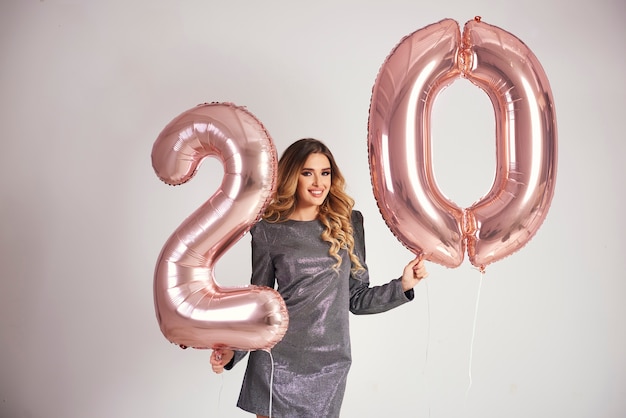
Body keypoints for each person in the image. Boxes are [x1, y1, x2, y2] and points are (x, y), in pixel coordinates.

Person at [209, 138, 428, 417]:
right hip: (276, 358)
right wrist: (234, 354)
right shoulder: (267, 229)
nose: (318, 182)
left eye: (325, 173)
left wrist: (403, 285)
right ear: (292, 177)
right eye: (307, 172)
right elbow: (259, 301)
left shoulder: (348, 222)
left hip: (329, 362)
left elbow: (357, 299)